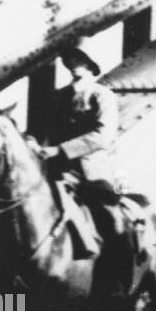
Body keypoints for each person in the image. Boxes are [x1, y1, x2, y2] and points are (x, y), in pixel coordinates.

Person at [40, 46, 127, 291]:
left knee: (112, 220)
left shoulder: (102, 95)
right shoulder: (59, 96)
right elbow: (47, 131)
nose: (72, 64)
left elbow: (103, 136)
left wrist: (60, 150)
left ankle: (118, 280)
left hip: (95, 172)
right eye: (68, 60)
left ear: (90, 65)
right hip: (60, 173)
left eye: (78, 59)